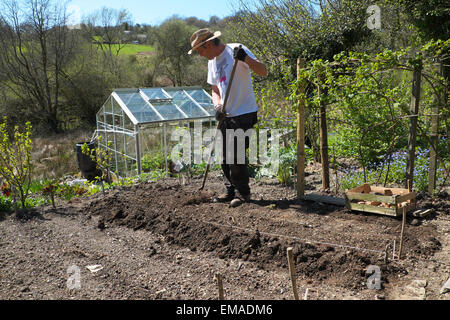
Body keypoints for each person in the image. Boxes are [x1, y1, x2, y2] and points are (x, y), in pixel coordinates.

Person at [188, 28, 268, 207]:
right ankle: (230, 189)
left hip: (244, 111)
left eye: (201, 51)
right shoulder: (212, 61)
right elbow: (215, 89)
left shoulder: (236, 50)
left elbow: (263, 71)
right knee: (224, 155)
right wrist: (217, 105)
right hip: (226, 113)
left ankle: (242, 193)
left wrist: (245, 58)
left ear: (208, 44)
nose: (200, 55)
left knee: (235, 153)